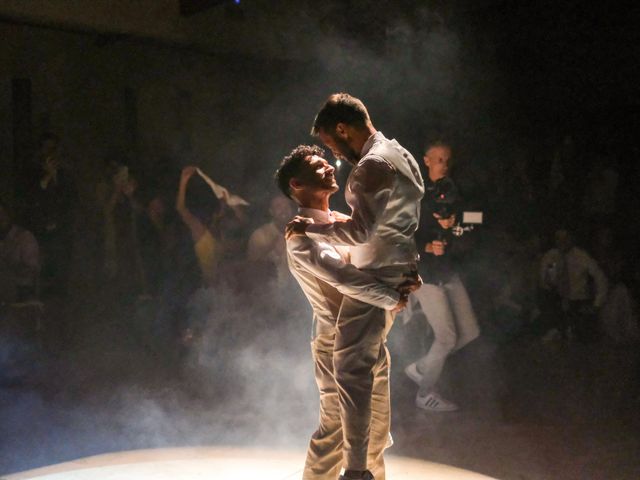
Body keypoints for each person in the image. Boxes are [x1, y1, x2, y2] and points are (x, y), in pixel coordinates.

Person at [287, 93, 424, 480]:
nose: (332, 161)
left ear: (344, 128)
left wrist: (401, 276)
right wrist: (393, 292)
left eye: (329, 148)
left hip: (366, 316)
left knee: (375, 426)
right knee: (337, 429)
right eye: (322, 159)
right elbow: (348, 277)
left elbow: (374, 235)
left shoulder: (335, 218)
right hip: (336, 331)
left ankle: (365, 473)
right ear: (297, 185)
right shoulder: (303, 235)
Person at [405, 141, 480, 412]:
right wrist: (426, 246)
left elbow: (479, 219)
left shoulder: (455, 192)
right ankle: (425, 394)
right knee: (446, 337)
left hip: (449, 271)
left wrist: (457, 225)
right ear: (426, 161)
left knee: (470, 332)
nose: (444, 165)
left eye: (447, 160)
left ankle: (422, 367)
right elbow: (400, 237)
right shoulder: (416, 196)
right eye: (438, 159)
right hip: (426, 275)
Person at [539, 228, 608, 343]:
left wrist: (596, 304)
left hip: (578, 300)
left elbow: (600, 279)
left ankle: (569, 330)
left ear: (572, 239)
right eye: (558, 239)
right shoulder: (551, 256)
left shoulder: (582, 257)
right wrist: (553, 267)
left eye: (565, 238)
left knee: (582, 334)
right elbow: (547, 282)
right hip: (557, 299)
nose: (562, 241)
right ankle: (558, 329)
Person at [246, 195, 294, 283]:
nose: (284, 210)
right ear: (271, 211)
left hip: (294, 291)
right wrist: (271, 248)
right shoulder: (260, 235)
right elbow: (251, 267)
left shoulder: (299, 234)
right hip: (268, 290)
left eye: (287, 206)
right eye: (278, 206)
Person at [0, 200, 40, 304]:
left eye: (2, 215)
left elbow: (32, 271)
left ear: (8, 216)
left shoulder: (25, 238)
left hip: (20, 294)